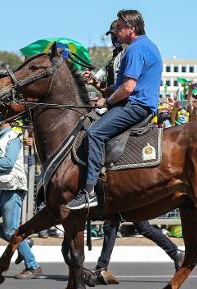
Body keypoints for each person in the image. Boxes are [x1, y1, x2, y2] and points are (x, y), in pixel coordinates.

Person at [67, 9, 162, 209]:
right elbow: (118, 88)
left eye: (119, 27)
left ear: (132, 28)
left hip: (135, 106)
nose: (116, 31)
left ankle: (89, 192)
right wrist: (97, 85)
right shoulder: (147, 46)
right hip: (136, 104)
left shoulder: (135, 49)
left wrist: (107, 102)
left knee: (93, 133)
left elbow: (128, 89)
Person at [0, 119, 43, 279]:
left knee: (11, 230)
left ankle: (33, 266)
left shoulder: (12, 136)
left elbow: (8, 162)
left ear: (3, 120)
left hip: (12, 189)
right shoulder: (1, 137)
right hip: (0, 189)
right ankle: (21, 243)